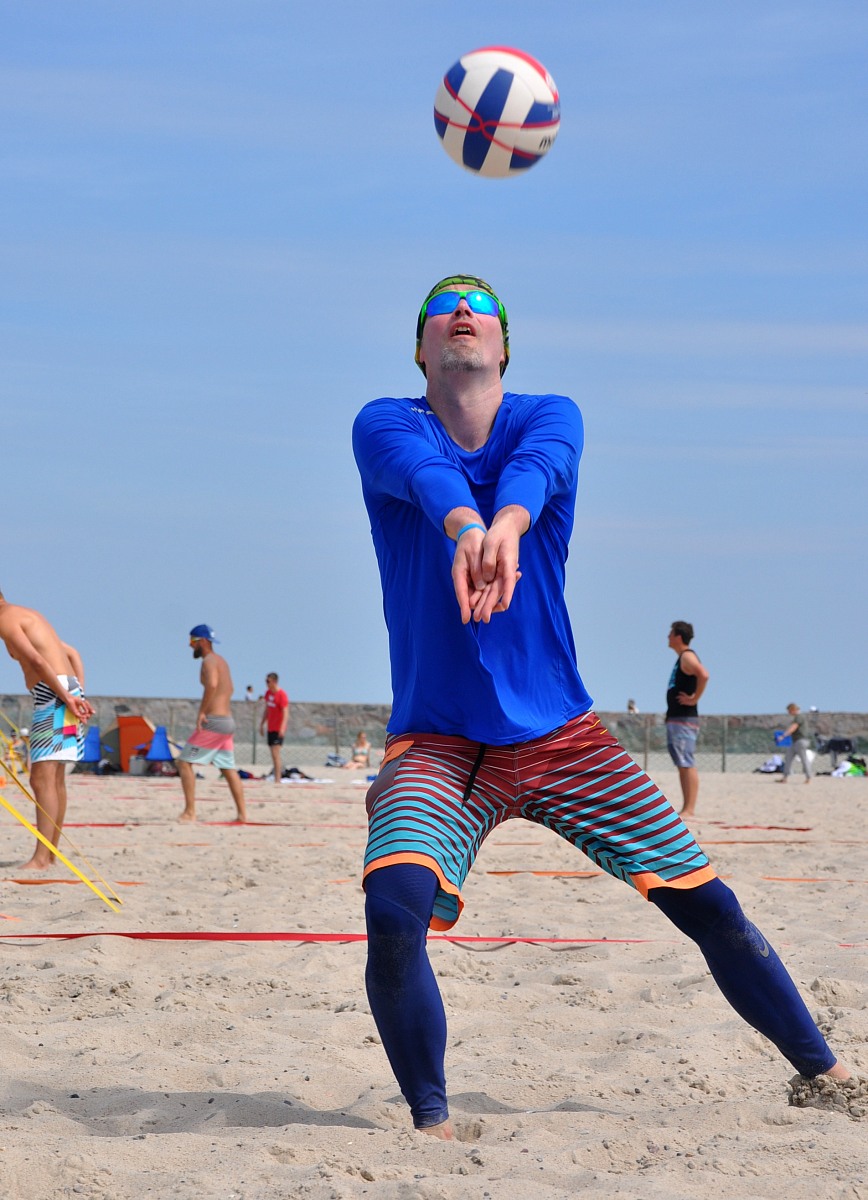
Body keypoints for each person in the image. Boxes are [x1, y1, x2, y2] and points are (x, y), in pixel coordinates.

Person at [351, 274, 850, 1139]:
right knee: (393, 907)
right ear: (420, 348)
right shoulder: (384, 422)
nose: (464, 311)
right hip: (439, 742)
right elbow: (424, 476)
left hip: (563, 735)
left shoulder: (551, 415)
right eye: (444, 305)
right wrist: (468, 530)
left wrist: (508, 525)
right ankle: (432, 1123)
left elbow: (540, 469)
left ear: (504, 346)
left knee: (708, 905)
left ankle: (828, 1072)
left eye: (481, 306)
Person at [0, 588, 95, 868]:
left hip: (53, 695)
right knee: (54, 779)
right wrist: (77, 692)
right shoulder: (26, 614)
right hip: (63, 690)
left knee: (42, 779)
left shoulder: (5, 618)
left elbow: (37, 661)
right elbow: (72, 653)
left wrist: (68, 697)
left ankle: (42, 858)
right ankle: (50, 854)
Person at [177, 624, 247, 823]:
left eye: (192, 641)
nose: (190, 645)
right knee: (227, 768)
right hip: (227, 722)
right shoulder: (221, 661)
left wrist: (202, 712)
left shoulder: (208, 661)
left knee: (183, 762)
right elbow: (230, 688)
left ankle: (190, 812)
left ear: (203, 641)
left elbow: (213, 684)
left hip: (214, 722)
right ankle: (242, 814)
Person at [665, 621, 709, 817]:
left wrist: (694, 698)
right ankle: (687, 807)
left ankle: (689, 808)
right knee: (682, 762)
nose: (668, 637)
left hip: (684, 718)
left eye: (670, 633)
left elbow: (704, 675)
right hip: (678, 718)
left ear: (678, 636)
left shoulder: (687, 656)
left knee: (686, 762)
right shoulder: (682, 657)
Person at [260, 672, 290, 783]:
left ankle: (278, 778)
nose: (266, 683)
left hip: (278, 728)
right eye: (266, 681)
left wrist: (282, 728)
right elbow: (267, 710)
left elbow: (285, 713)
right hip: (270, 728)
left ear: (274, 681)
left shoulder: (282, 694)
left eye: (268, 681)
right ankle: (277, 776)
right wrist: (262, 724)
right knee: (273, 754)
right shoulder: (268, 694)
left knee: (275, 753)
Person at [777, 703, 812, 784]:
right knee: (788, 758)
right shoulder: (798, 717)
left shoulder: (799, 717)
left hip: (800, 741)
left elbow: (793, 727)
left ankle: (808, 777)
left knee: (804, 759)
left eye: (789, 711)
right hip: (796, 741)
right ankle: (785, 778)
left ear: (793, 710)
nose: (789, 713)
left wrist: (783, 736)